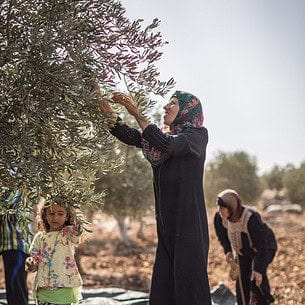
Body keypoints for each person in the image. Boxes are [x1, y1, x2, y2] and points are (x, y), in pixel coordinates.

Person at [99, 90, 212, 305]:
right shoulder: (158, 139)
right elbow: (125, 133)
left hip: (189, 231)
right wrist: (101, 101)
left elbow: (165, 144)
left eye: (174, 103)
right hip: (167, 230)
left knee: (190, 293)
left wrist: (136, 111)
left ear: (188, 111)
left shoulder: (196, 137)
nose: (166, 107)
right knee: (162, 292)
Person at [214, 189, 277, 305]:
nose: (219, 211)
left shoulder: (250, 218)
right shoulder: (220, 218)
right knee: (242, 281)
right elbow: (221, 235)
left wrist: (258, 269)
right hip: (243, 251)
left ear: (231, 207)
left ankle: (264, 301)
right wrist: (227, 250)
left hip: (265, 248)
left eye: (222, 208)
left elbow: (262, 245)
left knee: (256, 279)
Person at [25, 198, 84, 305]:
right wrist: (31, 263)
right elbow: (34, 257)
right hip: (44, 291)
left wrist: (76, 219)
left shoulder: (67, 233)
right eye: (51, 213)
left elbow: (78, 231)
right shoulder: (40, 237)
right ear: (45, 215)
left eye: (60, 214)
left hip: (65, 289)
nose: (55, 217)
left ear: (67, 216)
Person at [0, 189, 31, 305]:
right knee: (13, 287)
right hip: (9, 245)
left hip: (16, 244)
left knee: (16, 286)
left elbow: (7, 208)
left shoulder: (13, 184)